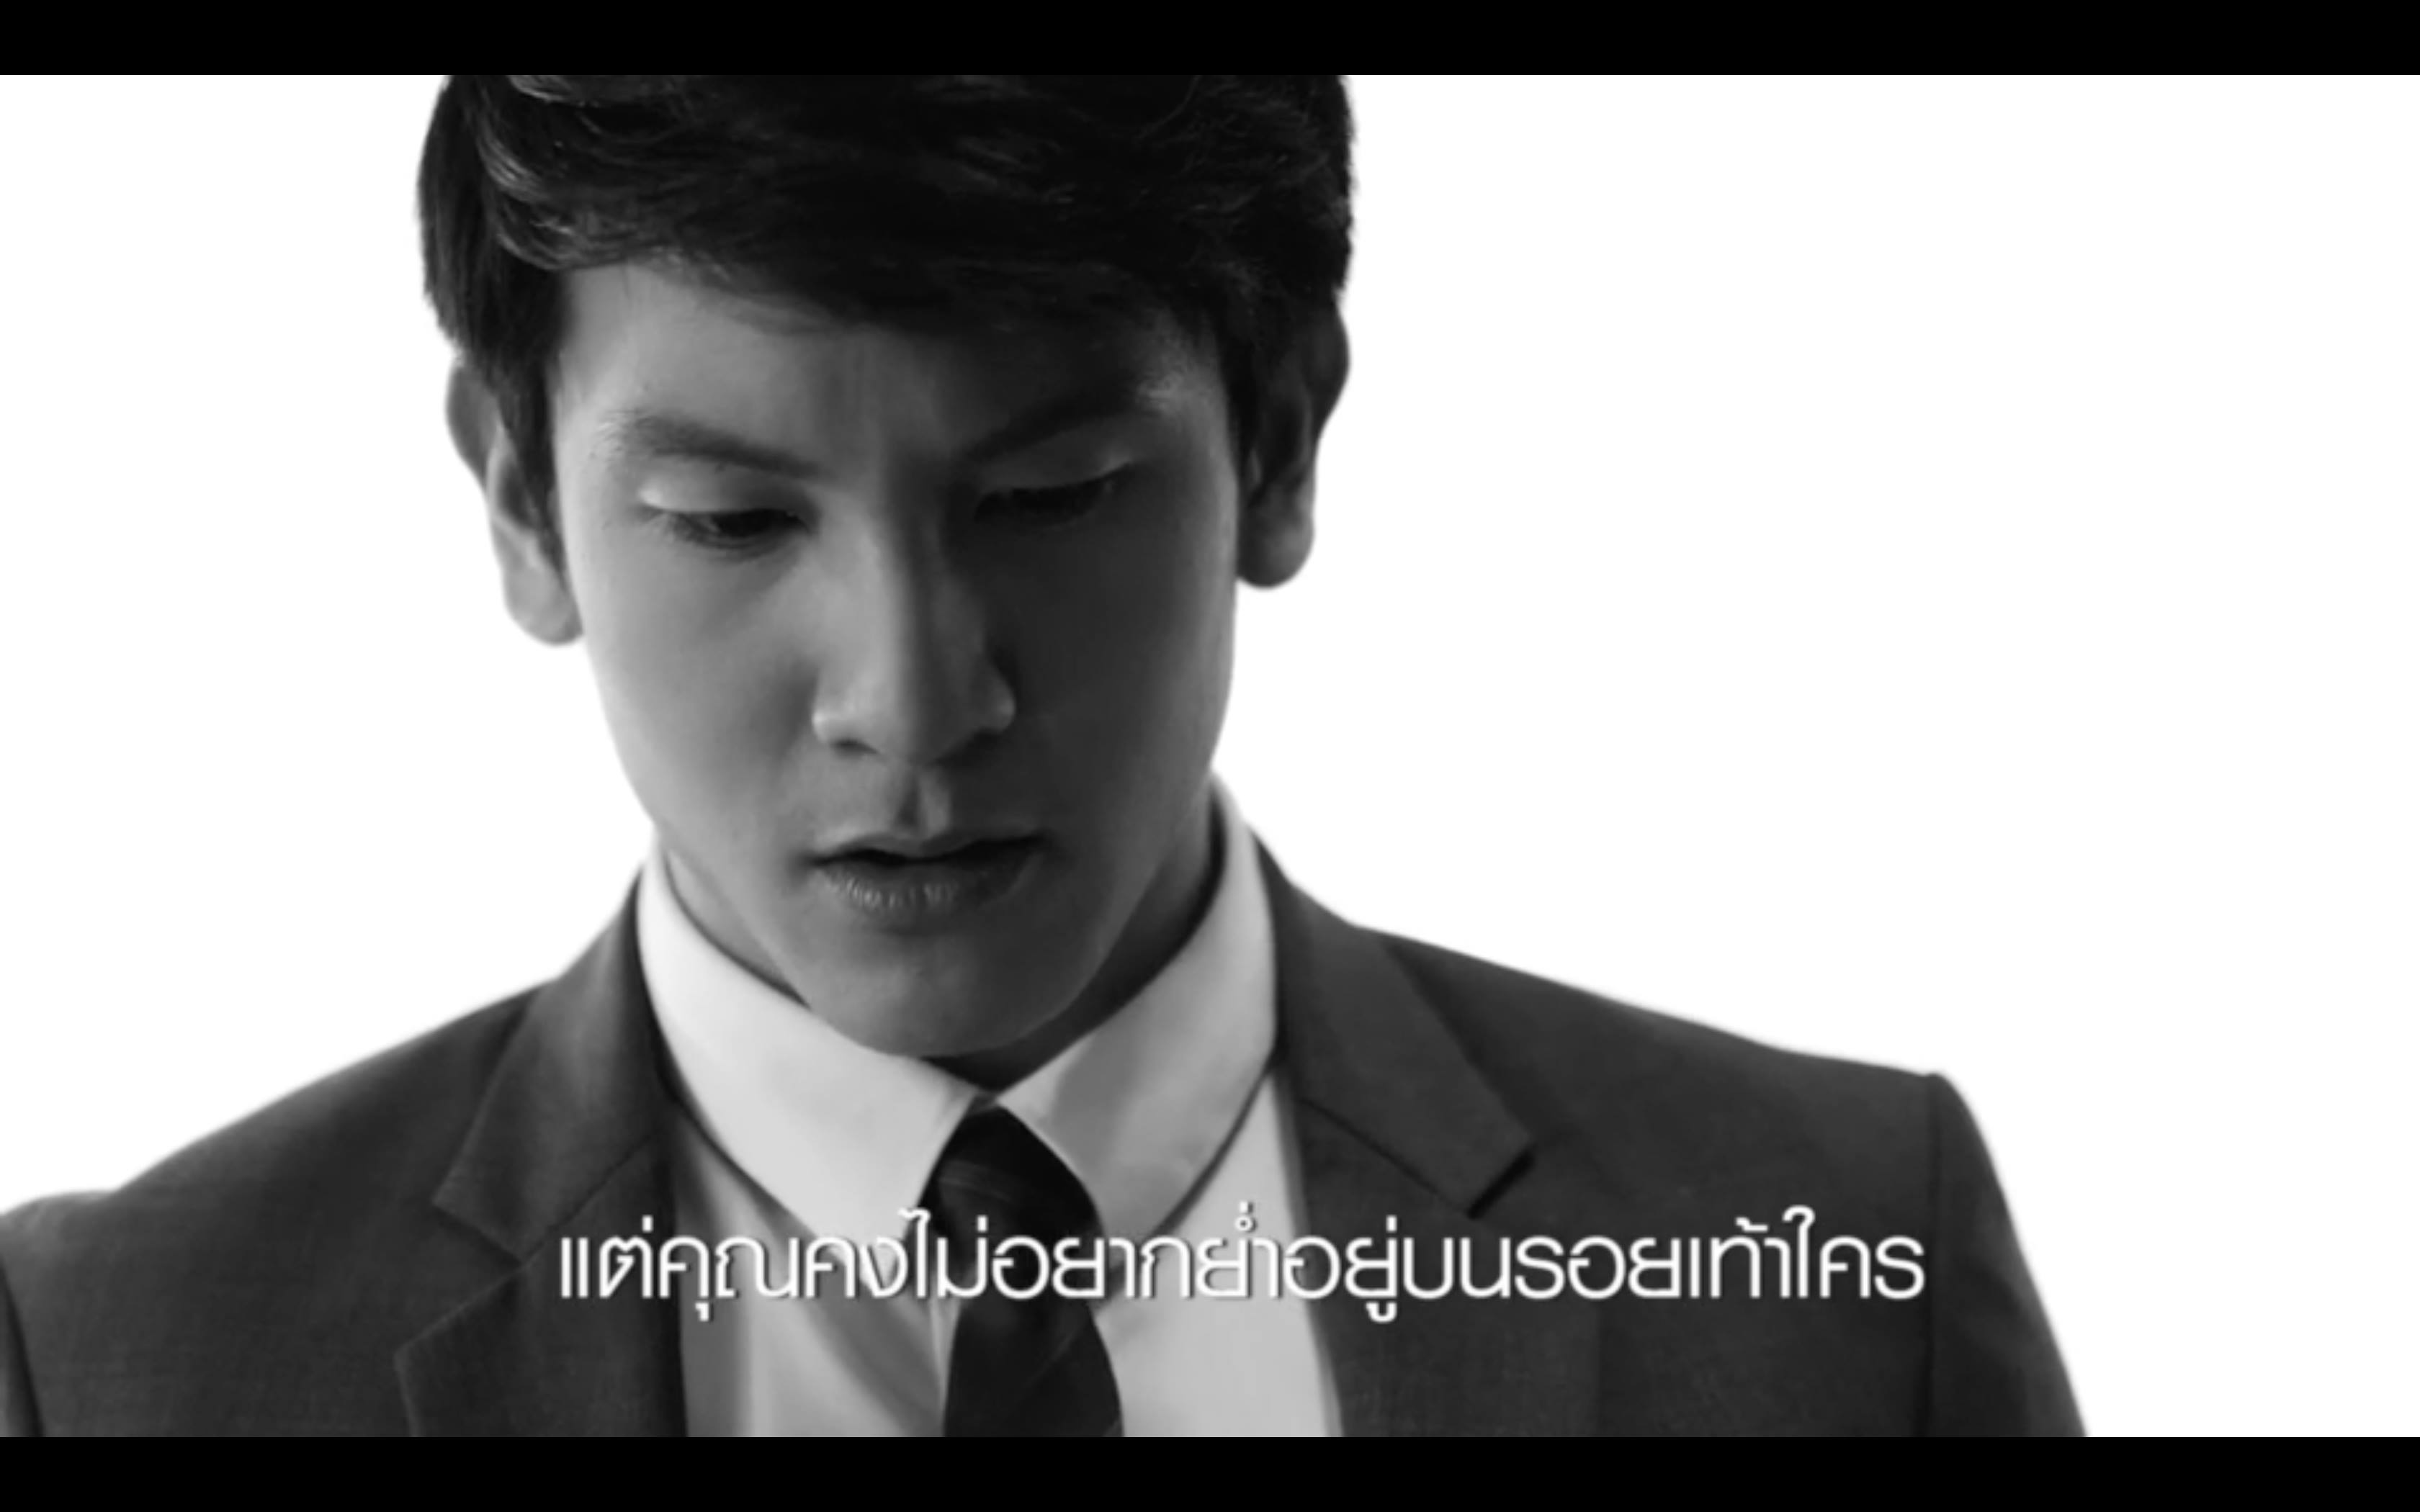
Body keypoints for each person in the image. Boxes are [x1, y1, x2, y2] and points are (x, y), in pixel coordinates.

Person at [0, 75, 2081, 1436]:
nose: (914, 701)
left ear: (1280, 439)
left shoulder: (1833, 1277)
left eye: (1052, 495)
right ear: (524, 503)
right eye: (731, 521)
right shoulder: (116, 1368)